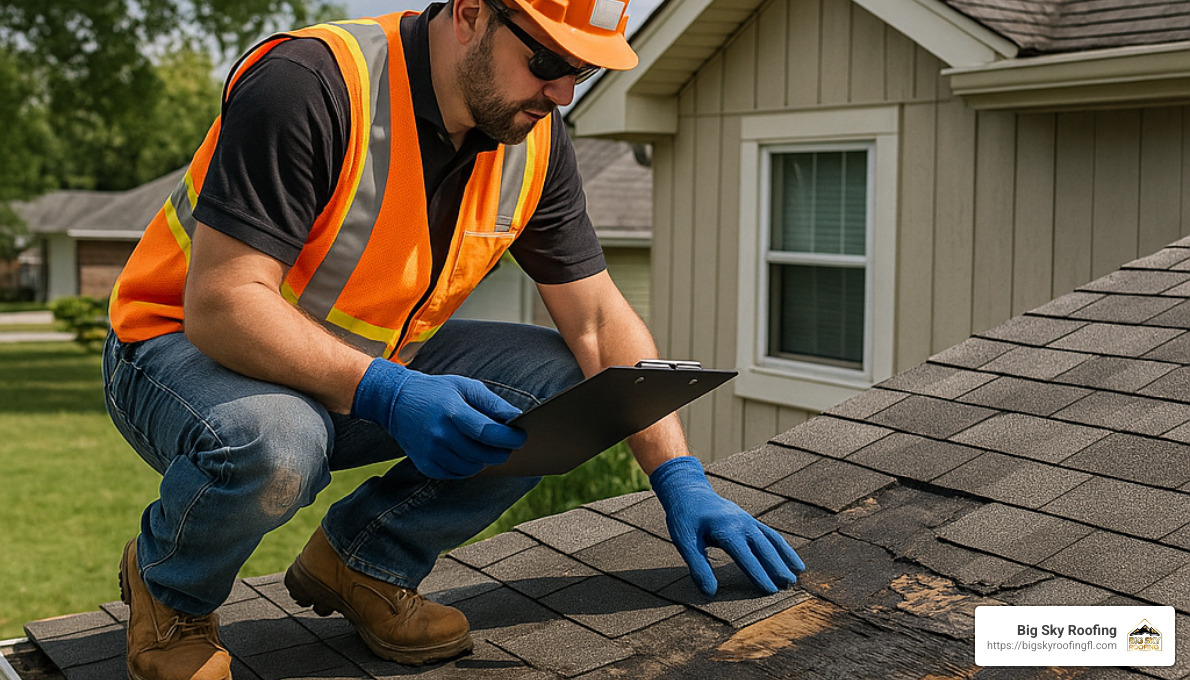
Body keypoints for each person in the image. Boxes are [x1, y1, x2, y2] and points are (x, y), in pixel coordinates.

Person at [101, 0, 806, 678]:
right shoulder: (312, 84)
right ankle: (172, 591)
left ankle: (367, 563)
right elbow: (224, 304)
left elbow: (596, 319)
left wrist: (679, 476)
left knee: (569, 388)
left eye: (582, 73)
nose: (560, 92)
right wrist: (389, 389)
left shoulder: (530, 140)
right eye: (546, 59)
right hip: (179, 352)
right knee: (279, 440)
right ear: (470, 12)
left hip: (363, 371)